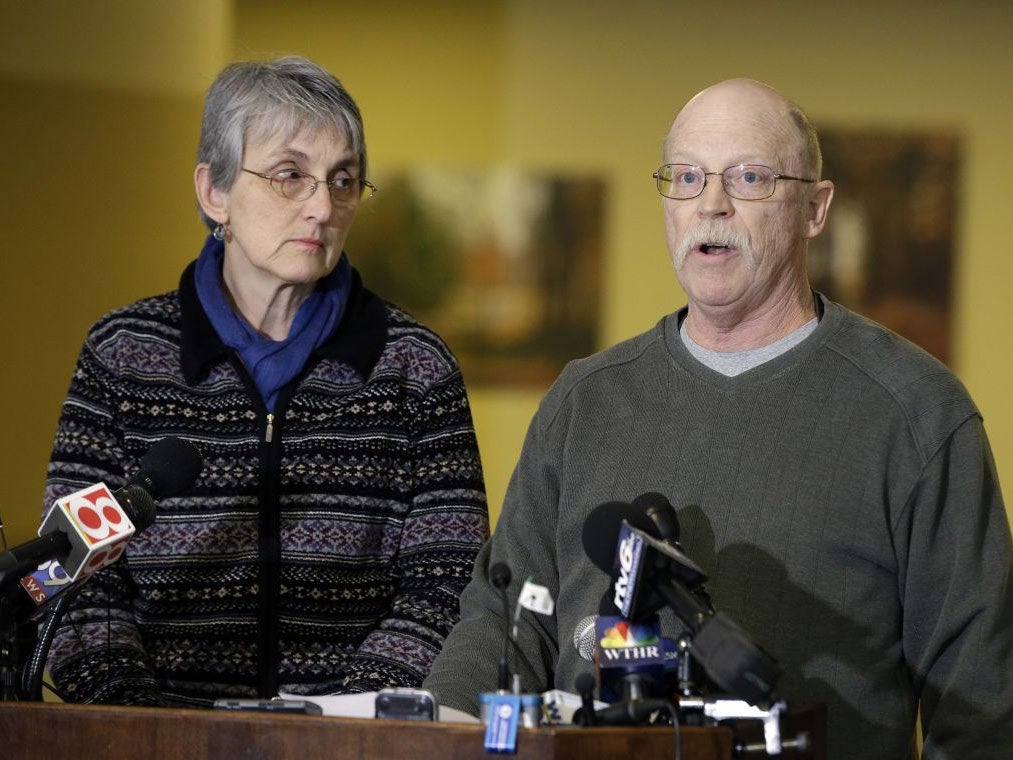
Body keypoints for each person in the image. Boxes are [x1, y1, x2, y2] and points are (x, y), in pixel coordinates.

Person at [424, 79, 1013, 759]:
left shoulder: (915, 412)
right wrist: (441, 731)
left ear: (814, 209)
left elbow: (979, 705)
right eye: (686, 177)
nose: (711, 204)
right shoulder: (582, 401)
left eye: (749, 178)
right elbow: (505, 622)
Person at [43, 56, 488, 706]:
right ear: (213, 192)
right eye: (289, 176)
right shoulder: (123, 354)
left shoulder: (413, 367)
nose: (322, 207)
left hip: (353, 743)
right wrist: (140, 727)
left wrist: (335, 725)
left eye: (343, 181)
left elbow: (447, 582)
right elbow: (75, 576)